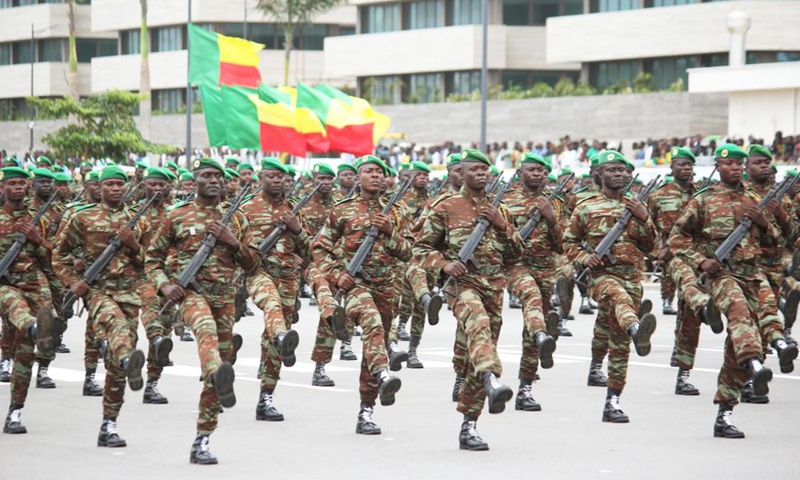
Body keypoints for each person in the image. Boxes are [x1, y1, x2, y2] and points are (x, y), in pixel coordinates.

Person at [669, 143, 797, 438]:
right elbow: (678, 239)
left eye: (739, 164)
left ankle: (726, 412)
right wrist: (701, 261)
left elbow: (776, 243)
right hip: (723, 275)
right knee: (739, 314)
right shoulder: (703, 200)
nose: (735, 168)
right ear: (718, 167)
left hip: (753, 272)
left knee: (764, 317)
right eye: (729, 164)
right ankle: (754, 361)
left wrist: (765, 223)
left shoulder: (755, 199)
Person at [145, 158, 259, 464]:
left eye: (217, 177)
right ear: (193, 180)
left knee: (218, 364)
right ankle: (216, 371)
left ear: (223, 183)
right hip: (192, 294)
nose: (212, 180)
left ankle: (202, 439)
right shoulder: (176, 216)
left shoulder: (236, 219)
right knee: (206, 336)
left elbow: (254, 264)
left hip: (225, 299)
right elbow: (152, 258)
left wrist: (233, 242)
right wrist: (164, 286)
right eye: (205, 175)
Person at [414, 149, 522, 451]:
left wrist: (502, 225)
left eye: (485, 170)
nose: (482, 174)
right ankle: (492, 376)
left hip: (494, 288)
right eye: (474, 169)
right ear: (462, 173)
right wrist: (444, 264)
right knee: (478, 325)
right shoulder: (446, 207)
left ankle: (469, 425)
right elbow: (419, 249)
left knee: (480, 346)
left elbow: (518, 254)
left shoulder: (499, 209)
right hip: (462, 286)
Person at [313, 155, 411, 435]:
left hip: (386, 287)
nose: (376, 176)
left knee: (373, 343)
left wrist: (391, 232)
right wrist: (335, 274)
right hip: (356, 284)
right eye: (369, 171)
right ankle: (383, 372)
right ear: (358, 177)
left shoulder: (398, 211)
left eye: (380, 172)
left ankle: (366, 411)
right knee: (372, 325)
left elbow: (409, 252)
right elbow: (320, 248)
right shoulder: (341, 210)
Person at [53, 165, 148, 447]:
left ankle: (109, 424)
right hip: (97, 291)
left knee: (116, 366)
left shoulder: (138, 221)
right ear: (101, 187)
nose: (116, 189)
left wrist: (133, 245)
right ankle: (129, 358)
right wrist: (72, 280)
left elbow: (151, 261)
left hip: (129, 293)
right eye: (110, 185)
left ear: (127, 186)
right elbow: (60, 254)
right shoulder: (82, 217)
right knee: (116, 328)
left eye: (120, 184)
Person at [564, 150, 657, 423]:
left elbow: (650, 245)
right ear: (599, 175)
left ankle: (613, 401)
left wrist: (643, 217)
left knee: (619, 344)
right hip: (602, 276)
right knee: (617, 299)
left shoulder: (636, 206)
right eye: (612, 170)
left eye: (622, 170)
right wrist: (584, 257)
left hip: (631, 277)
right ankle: (636, 328)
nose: (619, 174)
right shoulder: (586, 207)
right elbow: (569, 242)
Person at [647, 147, 719, 396]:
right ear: (672, 168)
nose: (686, 169)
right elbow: (648, 228)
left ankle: (683, 368)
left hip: (701, 257)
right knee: (689, 289)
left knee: (687, 318)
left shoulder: (705, 194)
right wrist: (658, 249)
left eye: (689, 165)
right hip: (675, 255)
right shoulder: (658, 196)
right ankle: (704, 306)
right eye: (681, 165)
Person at [241, 158, 305, 422]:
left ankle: (266, 397)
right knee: (271, 305)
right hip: (259, 273)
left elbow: (307, 250)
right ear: (261, 178)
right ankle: (281, 335)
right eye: (271, 176)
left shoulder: (292, 209)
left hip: (288, 278)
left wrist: (297, 229)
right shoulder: (246, 209)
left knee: (274, 342)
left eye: (281, 177)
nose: (277, 180)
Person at [0, 166, 60, 434]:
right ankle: (35, 327)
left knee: (24, 356)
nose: (18, 188)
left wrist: (38, 241)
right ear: (3, 188)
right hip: (5, 285)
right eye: (12, 183)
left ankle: (15, 412)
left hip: (36, 284)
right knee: (15, 304)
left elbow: (55, 257)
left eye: (22, 184)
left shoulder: (41, 220)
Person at [505, 152, 561, 411]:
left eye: (542, 170)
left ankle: (525, 389)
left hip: (545, 270)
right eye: (532, 169)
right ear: (520, 173)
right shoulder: (505, 201)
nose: (538, 174)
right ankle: (541, 334)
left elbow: (563, 245)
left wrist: (551, 219)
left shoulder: (556, 203)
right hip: (516, 267)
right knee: (531, 298)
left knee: (533, 325)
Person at [135, 167, 175, 405]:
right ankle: (155, 336)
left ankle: (152, 383)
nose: (157, 189)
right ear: (144, 186)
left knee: (166, 326)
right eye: (153, 185)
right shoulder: (134, 214)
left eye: (162, 185)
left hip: (169, 280)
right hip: (141, 276)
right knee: (152, 312)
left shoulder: (175, 214)